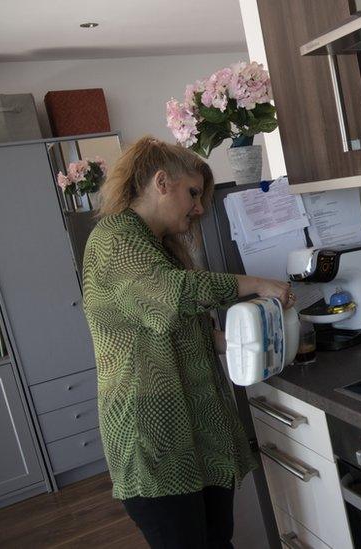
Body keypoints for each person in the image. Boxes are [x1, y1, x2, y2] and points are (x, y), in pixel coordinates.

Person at [81, 136, 295, 548]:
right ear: (161, 182)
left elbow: (190, 333)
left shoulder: (155, 247)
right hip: (154, 440)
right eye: (193, 193)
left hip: (197, 434)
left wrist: (259, 338)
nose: (199, 208)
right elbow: (174, 294)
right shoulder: (114, 240)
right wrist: (254, 284)